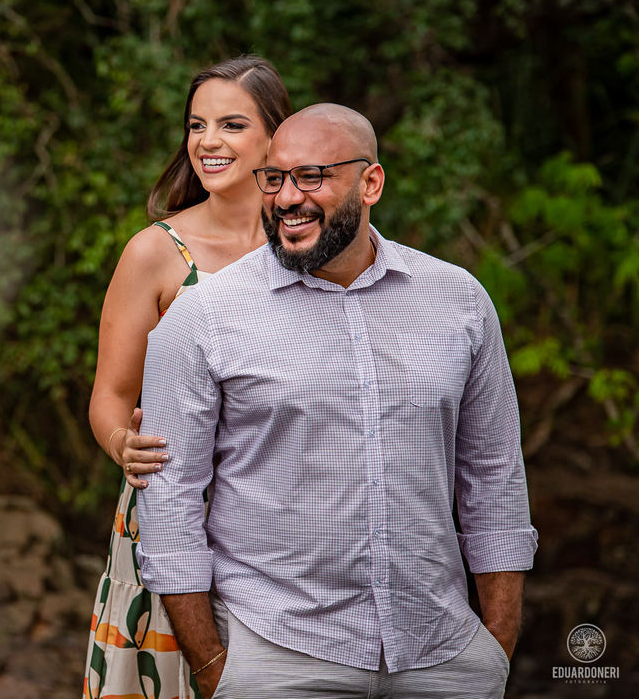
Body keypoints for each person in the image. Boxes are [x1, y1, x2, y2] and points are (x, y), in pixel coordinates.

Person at [135, 103, 538, 699]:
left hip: (443, 655)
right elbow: (170, 499)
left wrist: (495, 645)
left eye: (313, 177)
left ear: (369, 182)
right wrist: (214, 666)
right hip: (278, 656)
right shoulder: (204, 315)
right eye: (274, 179)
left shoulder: (460, 303)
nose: (287, 198)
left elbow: (494, 477)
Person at [82, 56, 291, 699]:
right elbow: (111, 396)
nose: (207, 142)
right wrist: (122, 442)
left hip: (284, 514)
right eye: (196, 125)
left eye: (230, 124)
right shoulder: (154, 252)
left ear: (274, 138)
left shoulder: (307, 244)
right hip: (178, 512)